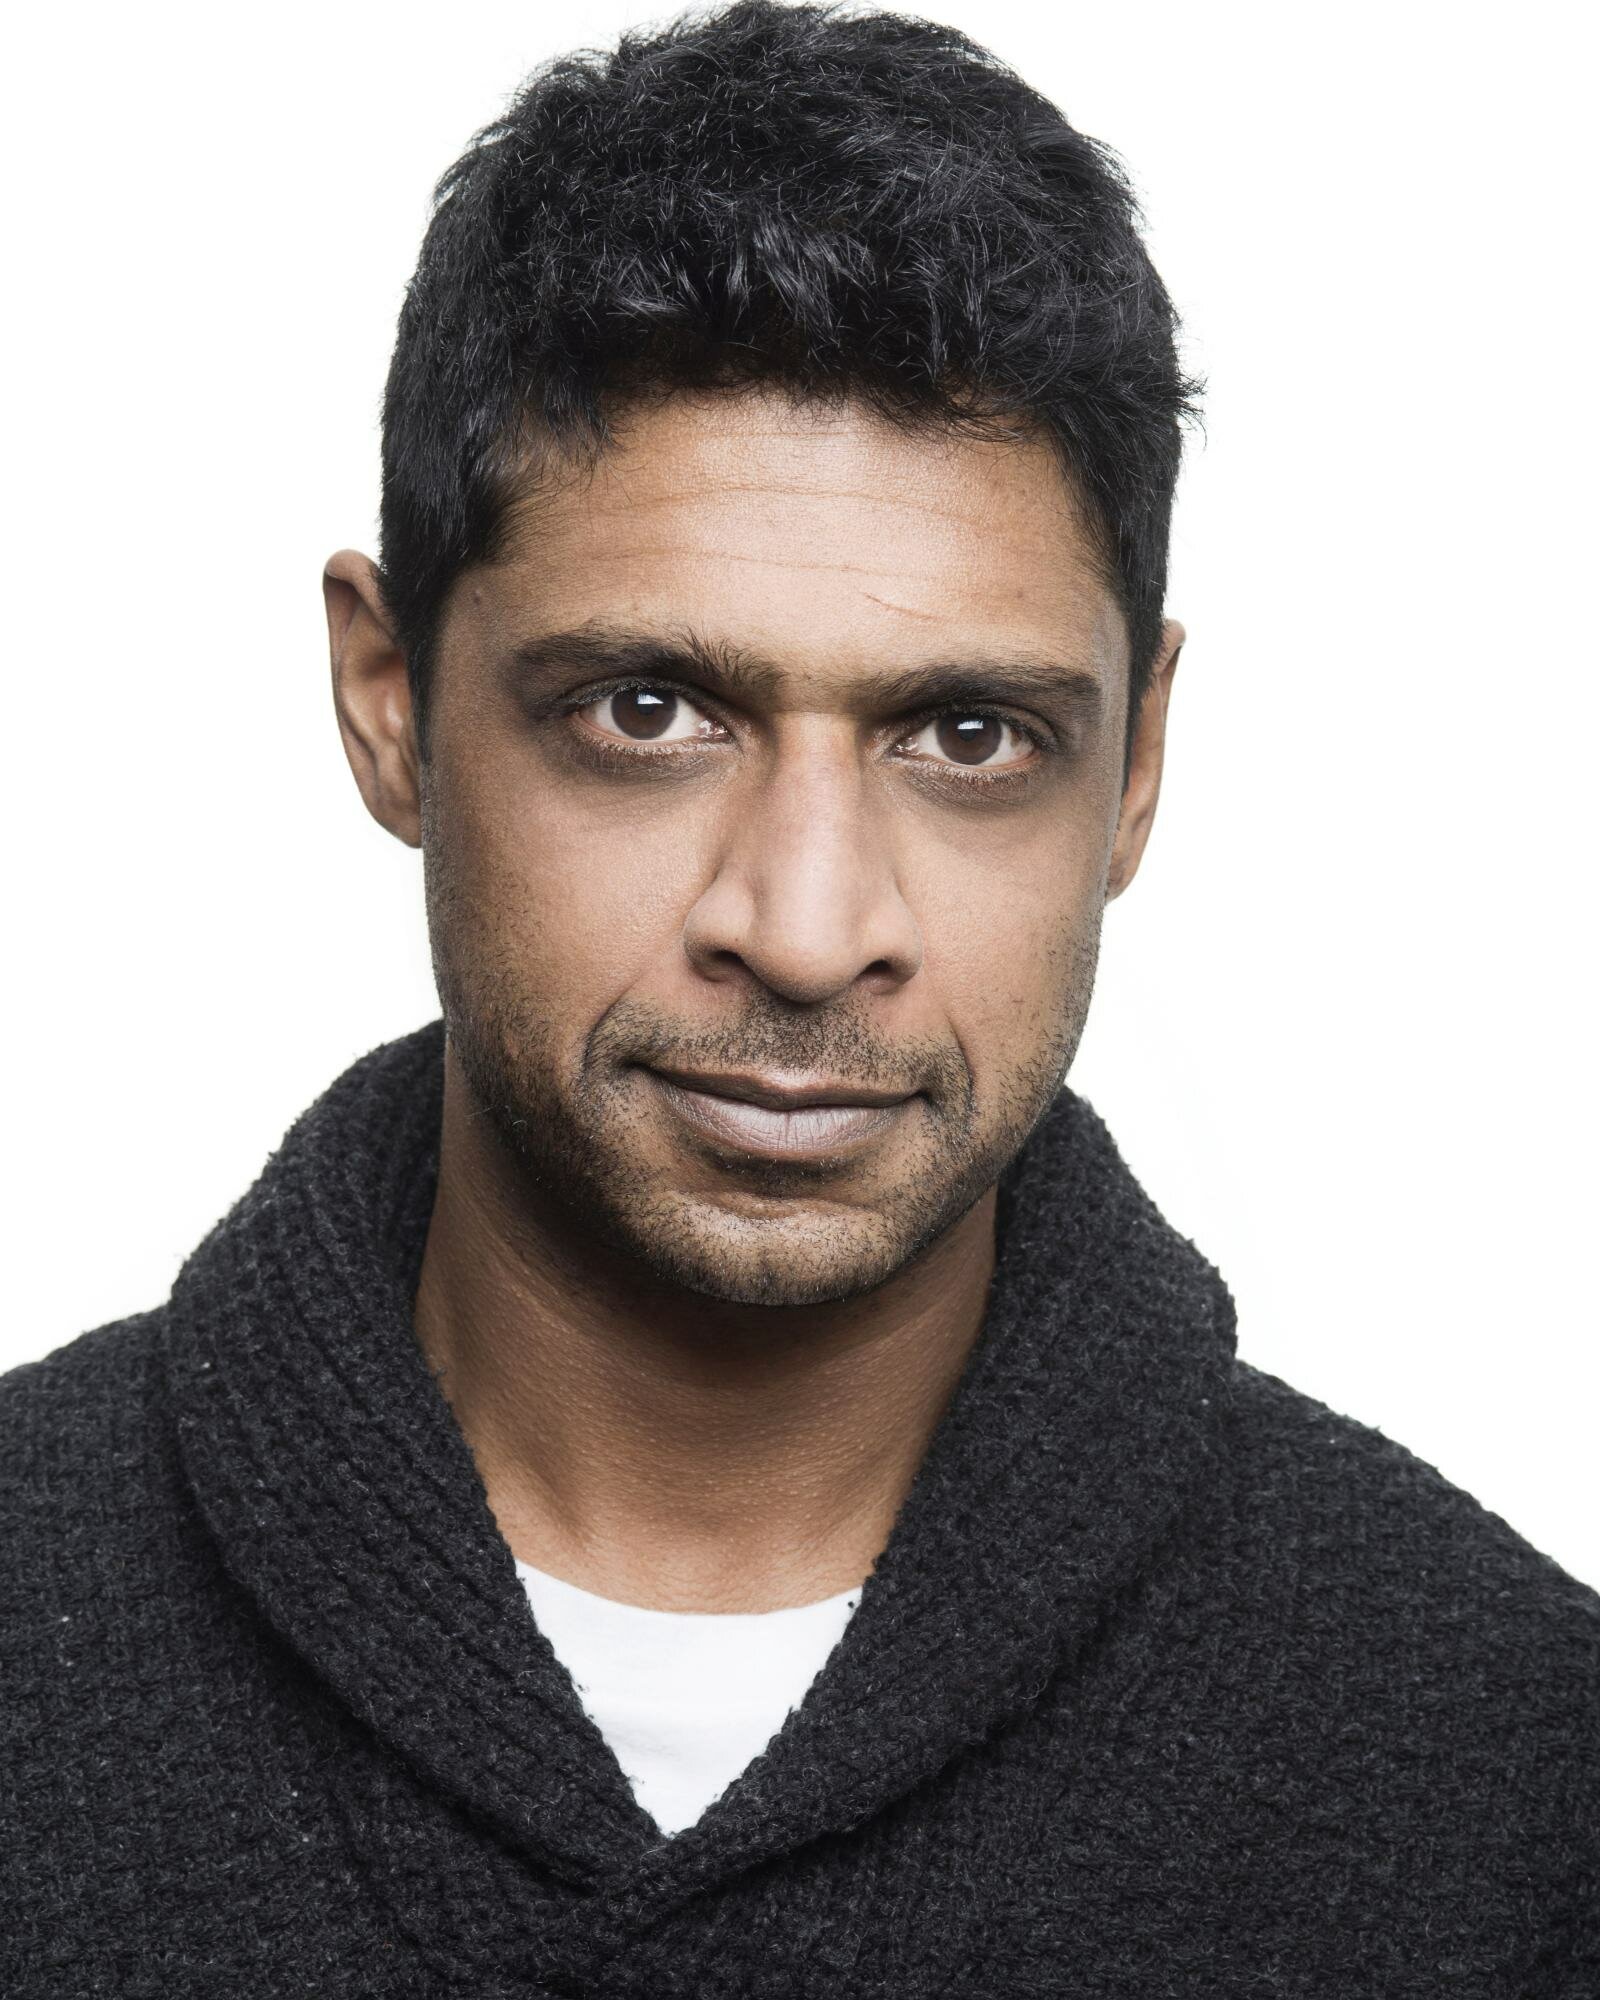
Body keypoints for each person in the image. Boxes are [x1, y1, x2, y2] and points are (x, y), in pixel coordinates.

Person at [3, 1, 1595, 1991]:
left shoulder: (1513, 1779)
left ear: (1137, 767)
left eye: (968, 735)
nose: (810, 924)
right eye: (645, 710)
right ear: (388, 700)